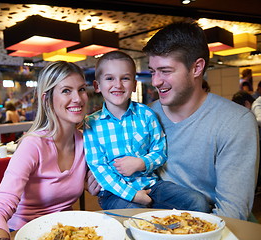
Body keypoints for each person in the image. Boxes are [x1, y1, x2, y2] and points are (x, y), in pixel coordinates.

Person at [143, 21, 259, 220]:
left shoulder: (235, 122)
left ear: (197, 68)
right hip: (154, 220)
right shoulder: (145, 116)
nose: (155, 82)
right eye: (153, 72)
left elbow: (232, 213)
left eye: (166, 71)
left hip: (210, 225)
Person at [83, 51, 210, 212]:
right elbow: (100, 168)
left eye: (125, 78)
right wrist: (133, 195)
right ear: (97, 86)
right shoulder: (90, 124)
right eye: (109, 78)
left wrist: (141, 163)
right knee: (138, 218)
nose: (118, 85)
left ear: (134, 85)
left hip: (151, 185)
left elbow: (160, 151)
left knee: (197, 202)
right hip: (115, 193)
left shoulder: (146, 115)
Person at [0, 61, 95, 239]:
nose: (78, 98)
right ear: (47, 99)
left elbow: (97, 183)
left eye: (82, 89)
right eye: (66, 90)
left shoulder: (86, 140)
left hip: (65, 231)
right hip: (23, 232)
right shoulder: (33, 144)